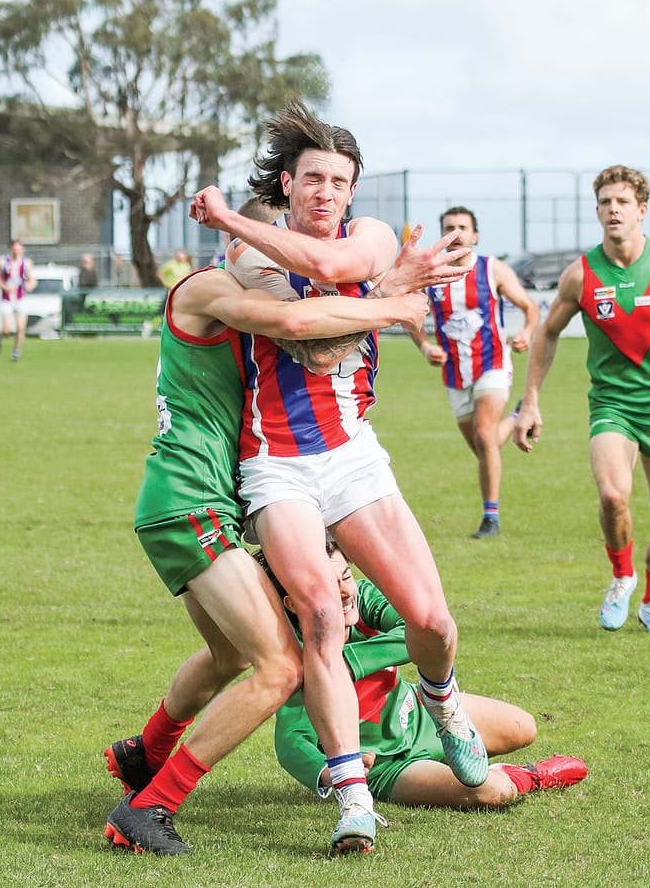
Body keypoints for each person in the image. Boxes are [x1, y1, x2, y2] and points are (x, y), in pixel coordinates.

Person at [189, 99, 488, 854]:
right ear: (286, 185)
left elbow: (331, 272)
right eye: (312, 178)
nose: (326, 192)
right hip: (276, 465)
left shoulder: (373, 237)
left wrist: (232, 219)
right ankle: (352, 795)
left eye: (339, 180)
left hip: (354, 457)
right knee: (321, 613)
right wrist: (393, 299)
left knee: (434, 621)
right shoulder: (250, 260)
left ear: (353, 191)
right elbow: (311, 344)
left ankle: (443, 700)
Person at [103, 255, 434, 856]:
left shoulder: (258, 308)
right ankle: (151, 805)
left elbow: (321, 339)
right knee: (281, 668)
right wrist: (393, 301)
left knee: (228, 654)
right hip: (190, 500)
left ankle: (145, 754)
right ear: (235, 248)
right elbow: (303, 324)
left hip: (195, 502)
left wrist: (380, 288)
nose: (278, 271)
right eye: (266, 258)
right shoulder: (211, 287)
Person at [514, 165, 650, 636]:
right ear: (597, 211)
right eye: (604, 202)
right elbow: (548, 333)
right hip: (612, 406)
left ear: (642, 210)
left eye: (621, 202)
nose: (612, 209)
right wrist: (530, 400)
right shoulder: (581, 274)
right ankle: (622, 578)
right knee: (614, 496)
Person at [268, 544, 587, 810]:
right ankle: (534, 775)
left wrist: (348, 663)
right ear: (294, 603)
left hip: (420, 713)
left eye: (346, 576)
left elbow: (421, 629)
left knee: (524, 727)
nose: (343, 591)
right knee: (492, 792)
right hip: (386, 764)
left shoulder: (363, 600)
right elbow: (290, 741)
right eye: (326, 585)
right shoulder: (294, 656)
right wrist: (329, 773)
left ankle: (451, 757)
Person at [407, 206, 540, 538]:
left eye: (462, 227)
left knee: (484, 436)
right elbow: (408, 314)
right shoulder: (431, 274)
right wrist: (425, 346)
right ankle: (519, 414)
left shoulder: (492, 269)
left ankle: (490, 519)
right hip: (455, 372)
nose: (456, 232)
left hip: (492, 363)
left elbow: (530, 307)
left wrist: (525, 332)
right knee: (486, 444)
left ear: (475, 235)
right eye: (449, 227)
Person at [0, 240, 37, 361]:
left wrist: (29, 286)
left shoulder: (26, 263)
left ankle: (16, 352)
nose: (17, 252)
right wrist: (4, 286)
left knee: (21, 328)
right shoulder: (2, 261)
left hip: (20, 299)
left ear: (22, 250)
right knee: (7, 330)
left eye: (19, 249)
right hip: (6, 299)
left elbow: (32, 280)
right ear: (11, 249)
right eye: (15, 249)